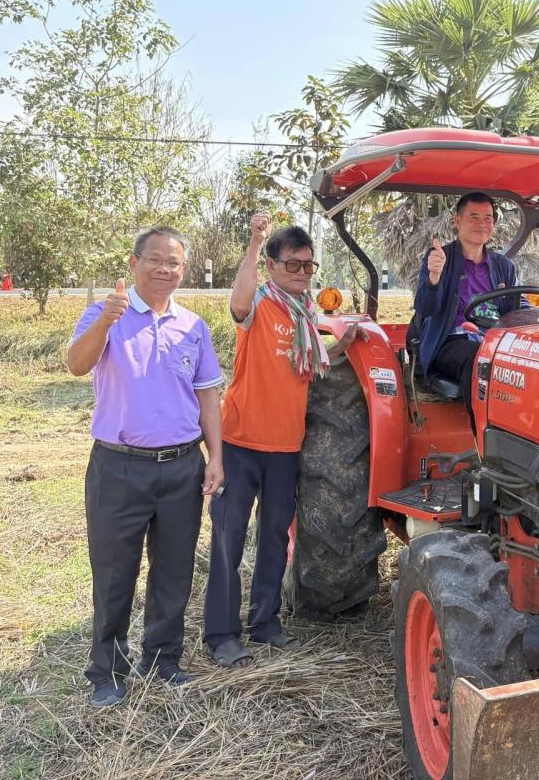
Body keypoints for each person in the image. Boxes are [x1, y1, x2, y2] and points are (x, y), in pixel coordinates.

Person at [66, 227, 225, 708]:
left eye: (174, 263)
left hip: (181, 466)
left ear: (183, 270)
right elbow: (76, 364)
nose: (165, 270)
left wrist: (215, 456)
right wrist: (105, 323)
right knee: (115, 572)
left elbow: (207, 393)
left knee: (174, 570)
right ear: (134, 263)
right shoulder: (106, 313)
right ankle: (108, 671)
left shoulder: (192, 326)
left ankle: (164, 660)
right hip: (119, 467)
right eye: (155, 260)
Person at [204, 214, 354, 669]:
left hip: (286, 447)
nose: (302, 273)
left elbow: (313, 362)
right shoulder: (257, 307)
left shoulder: (307, 314)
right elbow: (238, 295)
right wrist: (255, 241)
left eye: (309, 266)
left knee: (273, 538)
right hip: (241, 442)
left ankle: (265, 623)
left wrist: (352, 343)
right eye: (293, 264)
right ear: (272, 265)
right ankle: (222, 634)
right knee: (230, 540)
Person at [415, 192, 525, 400]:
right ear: (458, 221)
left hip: (495, 341)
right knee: (481, 359)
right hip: (450, 341)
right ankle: (481, 428)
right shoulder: (440, 259)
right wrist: (434, 277)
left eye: (488, 218)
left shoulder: (504, 266)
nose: (481, 224)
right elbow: (425, 309)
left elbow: (520, 307)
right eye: (474, 217)